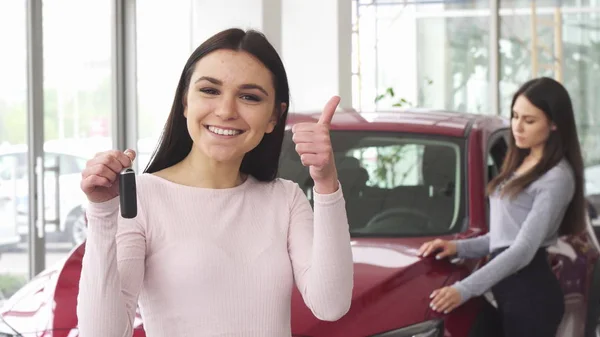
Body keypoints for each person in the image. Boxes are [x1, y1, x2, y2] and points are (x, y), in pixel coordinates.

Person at [76, 28, 354, 337]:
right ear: (185, 100)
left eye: (249, 97)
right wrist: (102, 214)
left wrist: (326, 181)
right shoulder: (143, 198)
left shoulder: (285, 200)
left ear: (275, 116)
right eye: (210, 90)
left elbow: (331, 305)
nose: (225, 111)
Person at [418, 77, 586, 337]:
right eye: (515, 116)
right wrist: (457, 247)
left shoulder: (556, 177)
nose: (517, 127)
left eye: (529, 121)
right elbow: (503, 236)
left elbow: (521, 250)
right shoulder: (523, 161)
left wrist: (463, 289)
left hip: (530, 296)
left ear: (554, 124)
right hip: (509, 291)